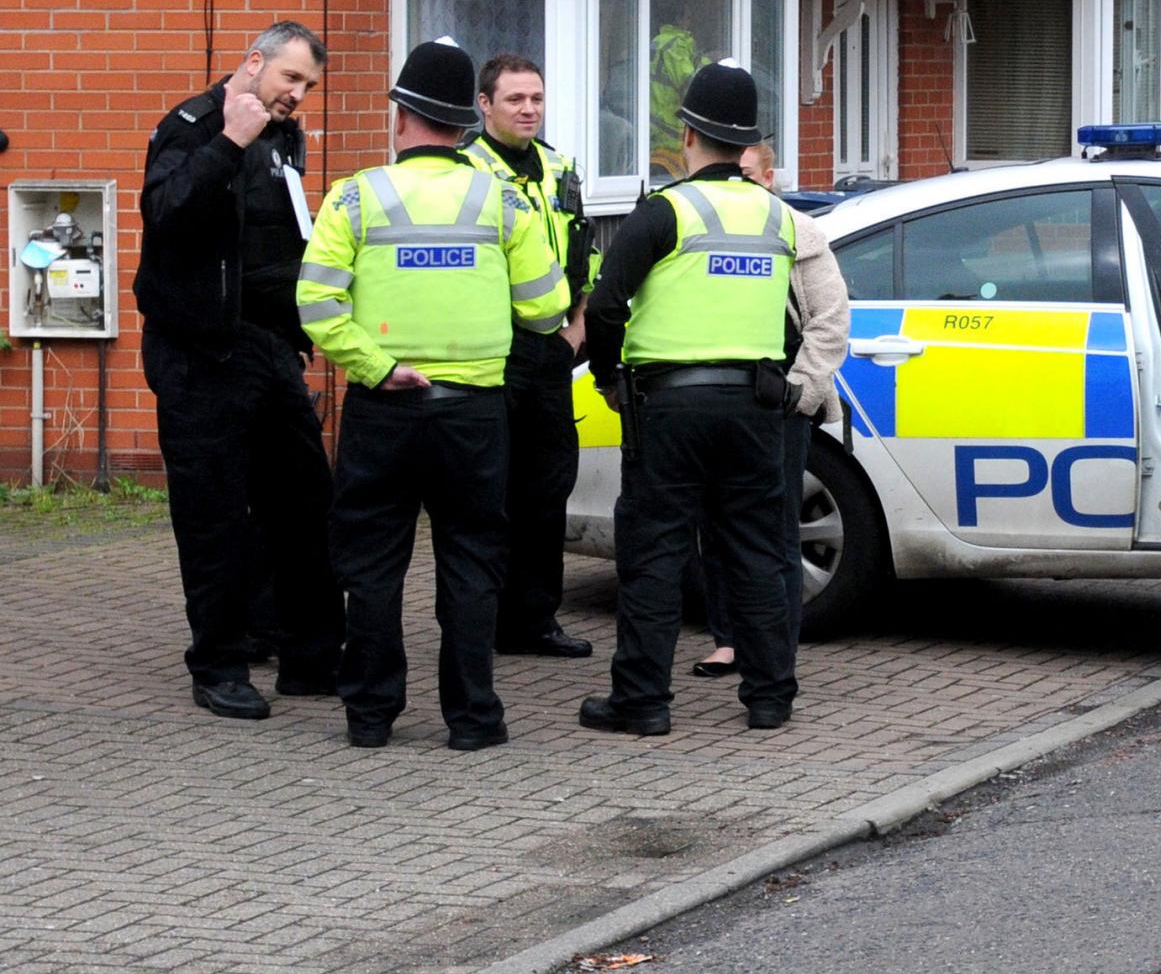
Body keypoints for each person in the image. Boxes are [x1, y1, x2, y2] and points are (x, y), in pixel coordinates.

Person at [295, 40, 570, 750]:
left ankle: (370, 715)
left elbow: (317, 303)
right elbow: (546, 306)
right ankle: (474, 716)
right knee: (473, 564)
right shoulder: (502, 198)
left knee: (374, 565)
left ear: (401, 115)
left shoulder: (356, 195)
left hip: (384, 409)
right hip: (475, 412)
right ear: (466, 121)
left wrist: (379, 365)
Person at [579, 64, 811, 737]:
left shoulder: (664, 212)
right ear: (748, 144)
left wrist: (605, 375)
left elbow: (606, 304)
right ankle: (770, 696)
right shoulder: (780, 216)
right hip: (754, 407)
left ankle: (643, 701)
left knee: (655, 553)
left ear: (687, 133)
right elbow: (791, 317)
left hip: (669, 410)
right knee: (759, 550)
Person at [137, 21, 343, 721]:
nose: (297, 95)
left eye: (308, 85)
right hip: (200, 350)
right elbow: (167, 214)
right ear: (253, 63)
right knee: (215, 515)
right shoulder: (192, 127)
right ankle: (220, 663)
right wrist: (231, 141)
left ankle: (309, 655)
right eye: (290, 78)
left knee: (307, 502)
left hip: (270, 345)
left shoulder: (288, 136)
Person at [690, 142, 850, 680]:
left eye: (747, 175)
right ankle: (729, 640)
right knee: (715, 522)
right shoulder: (699, 229)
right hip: (716, 401)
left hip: (778, 405)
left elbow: (829, 321)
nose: (737, 187)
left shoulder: (798, 231)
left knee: (774, 528)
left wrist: (800, 395)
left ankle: (775, 653)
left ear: (769, 177)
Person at [464, 54, 597, 660]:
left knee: (547, 492)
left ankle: (535, 621)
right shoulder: (466, 171)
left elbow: (585, 256)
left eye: (536, 99)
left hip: (550, 352)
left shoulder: (559, 169)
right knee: (489, 492)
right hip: (492, 352)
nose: (528, 110)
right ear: (484, 105)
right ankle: (482, 621)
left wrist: (576, 331)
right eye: (515, 99)